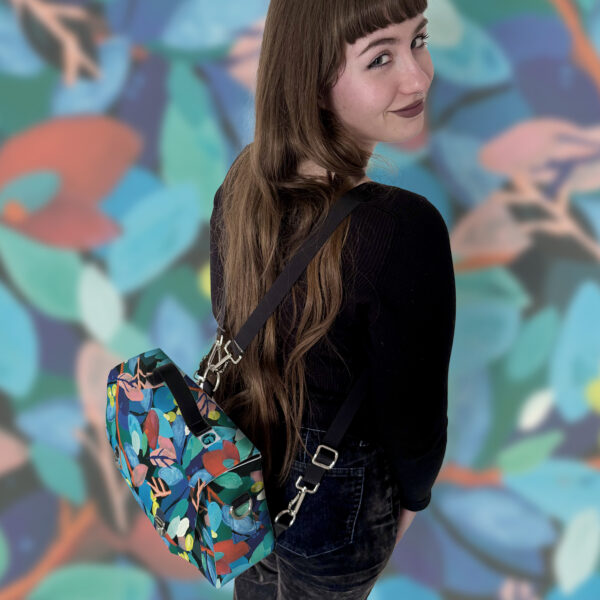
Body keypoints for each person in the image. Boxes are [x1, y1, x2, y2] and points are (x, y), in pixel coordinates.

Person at [208, 0, 455, 598]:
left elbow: (228, 318)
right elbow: (413, 415)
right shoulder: (402, 228)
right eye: (380, 59)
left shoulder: (242, 181)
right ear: (313, 82)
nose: (418, 77)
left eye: (418, 41)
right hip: (335, 498)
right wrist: (412, 500)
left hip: (239, 474)